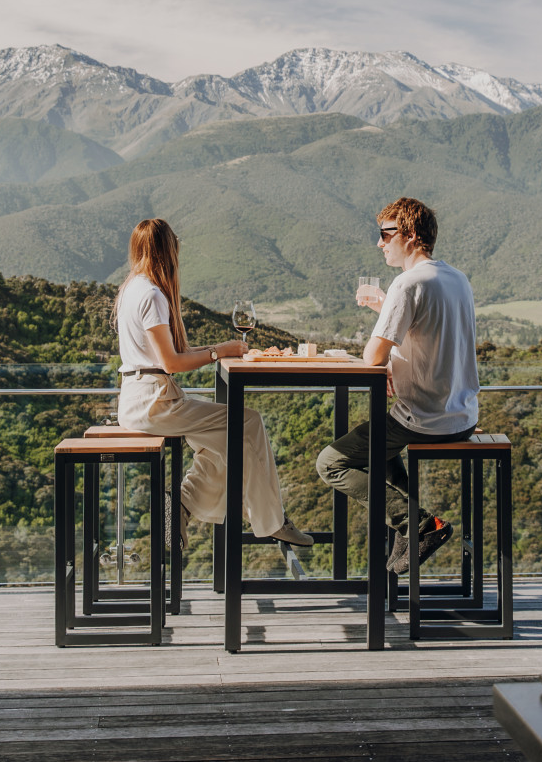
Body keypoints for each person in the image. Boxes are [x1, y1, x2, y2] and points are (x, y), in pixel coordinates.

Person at [113, 218, 313, 550]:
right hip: (154, 403)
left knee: (222, 443)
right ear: (167, 250)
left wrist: (219, 349)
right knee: (249, 422)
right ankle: (274, 521)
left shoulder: (131, 288)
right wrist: (218, 352)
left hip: (137, 398)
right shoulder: (152, 295)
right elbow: (171, 363)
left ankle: (182, 502)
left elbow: (166, 356)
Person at [316, 197, 480, 574]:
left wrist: (385, 353)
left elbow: (372, 357)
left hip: (424, 418)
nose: (380, 243)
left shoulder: (406, 284)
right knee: (381, 441)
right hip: (463, 417)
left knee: (331, 462)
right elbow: (431, 336)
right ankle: (411, 525)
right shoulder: (457, 278)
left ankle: (418, 524)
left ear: (410, 235)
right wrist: (386, 314)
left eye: (385, 234)